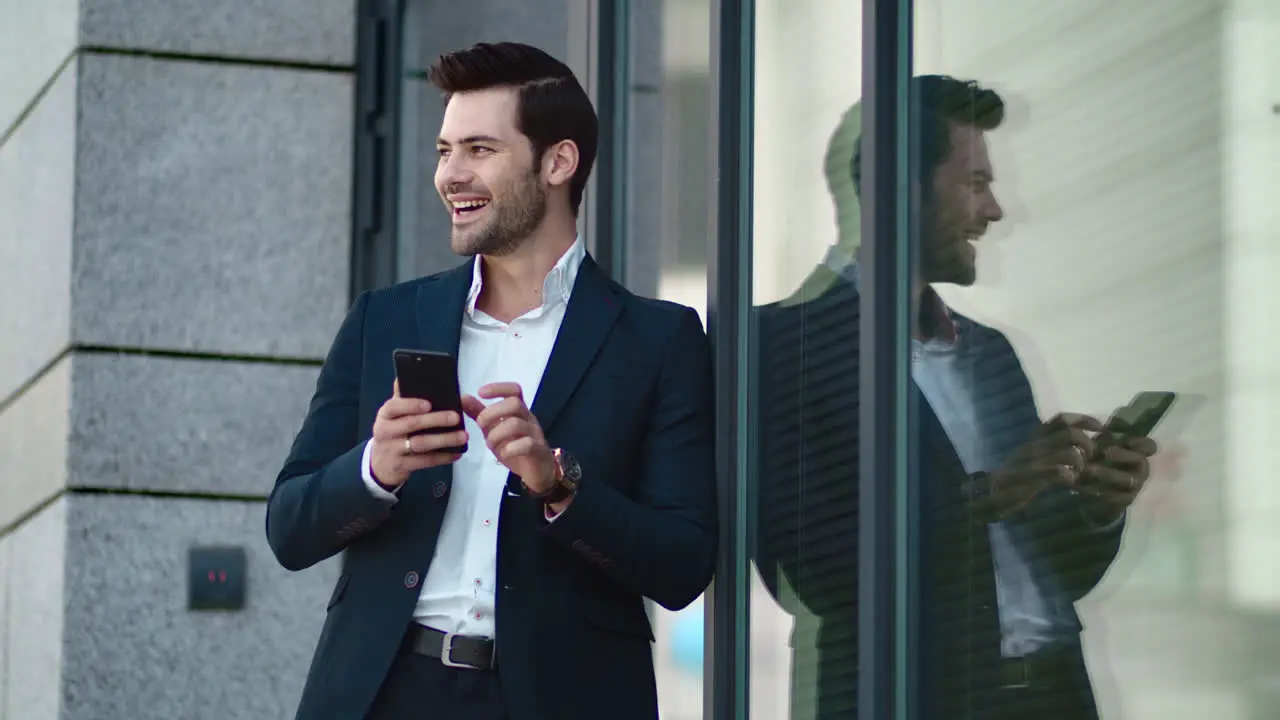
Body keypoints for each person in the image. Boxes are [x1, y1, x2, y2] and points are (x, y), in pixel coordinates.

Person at [266, 41, 717, 720]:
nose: (450, 174)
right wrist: (374, 468)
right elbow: (289, 528)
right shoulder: (385, 319)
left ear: (557, 163)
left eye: (479, 150)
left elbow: (682, 566)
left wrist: (559, 485)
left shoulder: (658, 339)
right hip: (384, 693)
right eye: (445, 150)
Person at [752, 75, 1159, 719]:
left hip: (1052, 694)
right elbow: (814, 573)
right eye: (975, 184)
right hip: (919, 698)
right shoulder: (783, 346)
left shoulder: (989, 354)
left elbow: (1057, 574)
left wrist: (1097, 509)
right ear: (900, 191)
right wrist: (986, 495)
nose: (995, 210)